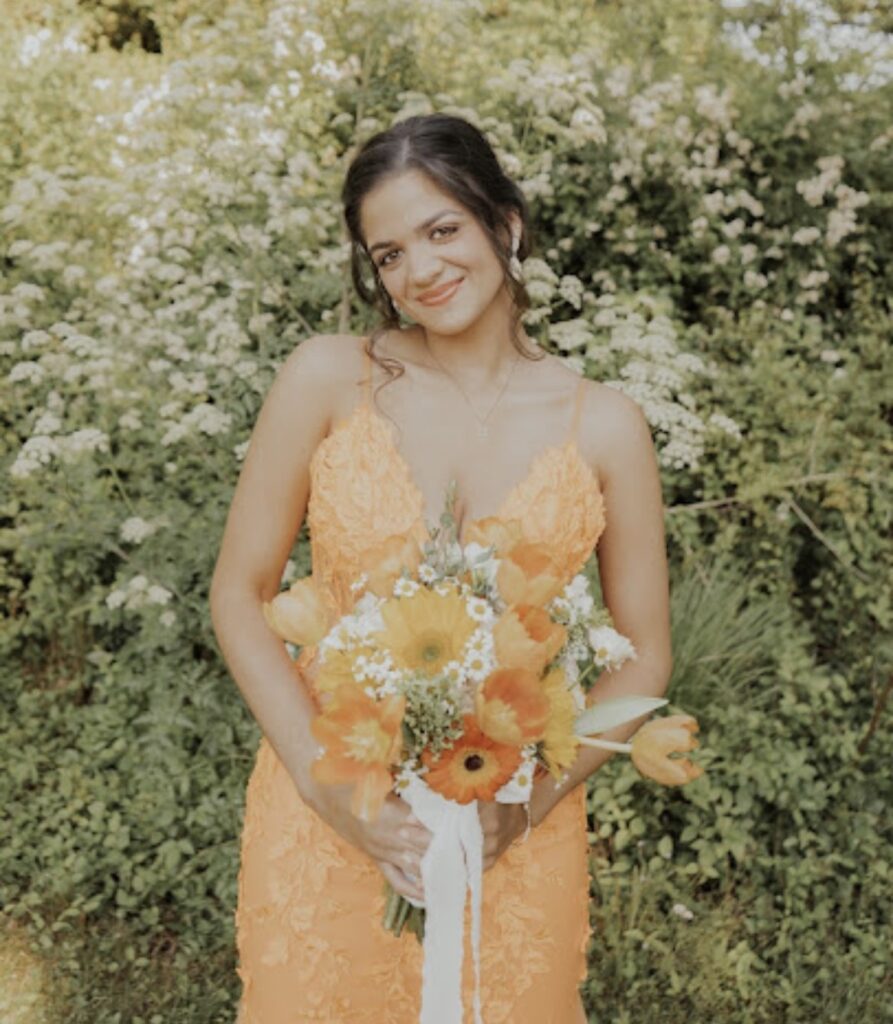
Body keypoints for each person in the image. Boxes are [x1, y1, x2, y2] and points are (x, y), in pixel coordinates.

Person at [209, 112, 672, 1024]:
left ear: (504, 222)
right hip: (331, 805)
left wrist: (527, 807)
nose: (418, 271)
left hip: (508, 825)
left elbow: (645, 659)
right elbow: (239, 592)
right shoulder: (328, 378)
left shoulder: (607, 425)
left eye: (440, 230)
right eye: (387, 254)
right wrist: (325, 787)